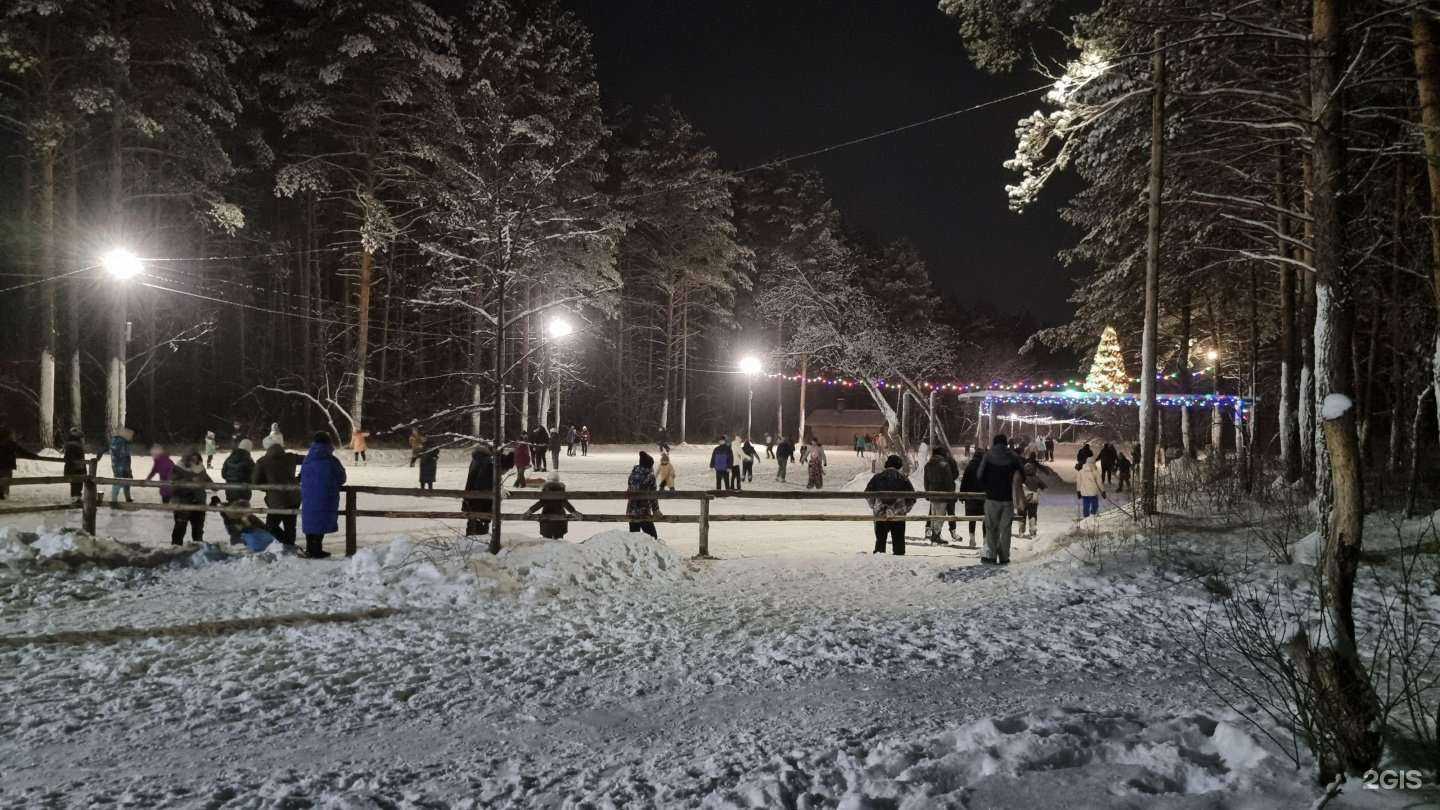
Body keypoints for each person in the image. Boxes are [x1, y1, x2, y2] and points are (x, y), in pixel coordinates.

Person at [977, 434, 1024, 565]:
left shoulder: (988, 455)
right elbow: (1022, 475)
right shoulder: (1013, 457)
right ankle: (1004, 557)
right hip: (1008, 499)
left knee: (991, 527)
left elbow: (979, 475)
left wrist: (986, 487)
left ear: (994, 443)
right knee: (1005, 529)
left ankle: (991, 555)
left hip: (992, 498)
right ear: (1006, 443)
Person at [300, 432, 346, 558]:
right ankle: (316, 550)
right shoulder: (331, 460)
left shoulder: (307, 459)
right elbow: (341, 477)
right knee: (320, 522)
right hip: (326, 496)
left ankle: (311, 549)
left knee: (311, 522)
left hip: (308, 496)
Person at [253, 442, 303, 546]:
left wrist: (267, 488)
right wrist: (299, 478)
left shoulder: (263, 461)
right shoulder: (291, 458)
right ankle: (289, 545)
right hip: (294, 497)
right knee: (290, 525)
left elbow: (255, 482)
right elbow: (308, 460)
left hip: (276, 499)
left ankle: (286, 543)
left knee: (271, 526)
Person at [865, 454, 916, 555]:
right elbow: (912, 497)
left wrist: (874, 506)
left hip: (880, 513)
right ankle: (899, 557)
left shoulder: (877, 477)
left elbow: (867, 493)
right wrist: (905, 509)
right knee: (899, 541)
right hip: (898, 513)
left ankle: (879, 556)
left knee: (880, 540)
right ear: (898, 465)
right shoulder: (903, 478)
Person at [0, 427, 61, 500]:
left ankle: (3, 495)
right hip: (7, 466)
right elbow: (22, 452)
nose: (13, 436)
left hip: (5, 466)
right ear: (8, 435)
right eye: (11, 435)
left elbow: (22, 452)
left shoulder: (9, 444)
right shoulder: (11, 444)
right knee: (6, 482)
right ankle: (4, 496)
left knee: (4, 482)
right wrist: (34, 456)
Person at [462, 444, 506, 537]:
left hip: (471, 496)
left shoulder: (476, 460)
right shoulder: (486, 462)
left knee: (473, 522)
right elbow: (483, 482)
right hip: (482, 499)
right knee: (481, 525)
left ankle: (471, 540)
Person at [169, 452, 211, 545]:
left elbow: (208, 480)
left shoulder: (200, 468)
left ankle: (198, 547)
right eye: (192, 459)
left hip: (199, 501)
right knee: (180, 527)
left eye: (196, 459)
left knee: (198, 529)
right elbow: (174, 484)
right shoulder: (178, 468)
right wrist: (190, 481)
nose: (195, 461)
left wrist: (209, 483)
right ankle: (176, 547)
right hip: (183, 501)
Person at [525, 471, 581, 539]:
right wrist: (573, 512)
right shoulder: (561, 490)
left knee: (546, 540)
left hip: (546, 518)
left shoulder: (545, 490)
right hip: (560, 518)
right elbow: (565, 503)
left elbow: (540, 503)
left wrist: (530, 511)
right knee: (559, 540)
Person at [923, 445, 957, 545]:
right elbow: (949, 481)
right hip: (943, 494)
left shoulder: (928, 464)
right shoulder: (944, 465)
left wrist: (927, 493)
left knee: (934, 515)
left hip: (932, 493)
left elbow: (926, 481)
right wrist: (951, 494)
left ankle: (934, 534)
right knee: (940, 515)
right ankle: (936, 535)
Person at [625, 451, 660, 538]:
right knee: (653, 538)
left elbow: (629, 489)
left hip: (631, 511)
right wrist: (656, 510)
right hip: (643, 512)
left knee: (634, 539)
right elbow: (653, 495)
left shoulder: (633, 473)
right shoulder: (650, 476)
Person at [99, 428, 135, 507]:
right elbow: (122, 455)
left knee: (124, 481)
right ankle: (115, 500)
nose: (132, 438)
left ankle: (124, 498)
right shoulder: (121, 442)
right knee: (119, 481)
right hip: (121, 465)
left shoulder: (119, 441)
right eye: (131, 436)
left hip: (120, 465)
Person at [959, 450, 985, 546]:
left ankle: (972, 539)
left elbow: (964, 481)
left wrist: (962, 495)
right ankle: (985, 540)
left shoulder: (969, 467)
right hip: (983, 498)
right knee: (985, 520)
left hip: (971, 498)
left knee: (972, 520)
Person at [222, 439, 255, 504]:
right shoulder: (248, 460)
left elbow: (223, 474)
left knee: (231, 511)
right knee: (243, 512)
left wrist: (231, 479)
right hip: (243, 491)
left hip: (230, 490)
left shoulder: (229, 458)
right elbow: (254, 475)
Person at [1020, 460, 1047, 538]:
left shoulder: (1022, 478)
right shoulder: (1036, 478)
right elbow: (1044, 487)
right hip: (1034, 500)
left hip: (1023, 499)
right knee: (1033, 515)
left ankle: (1021, 531)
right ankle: (1032, 530)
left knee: (1022, 515)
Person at [62, 428, 87, 504]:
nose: (83, 440)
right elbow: (73, 458)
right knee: (77, 484)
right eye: (82, 438)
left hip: (74, 468)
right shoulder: (75, 446)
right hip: (77, 468)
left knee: (75, 484)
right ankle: (75, 499)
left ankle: (76, 498)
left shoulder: (70, 445)